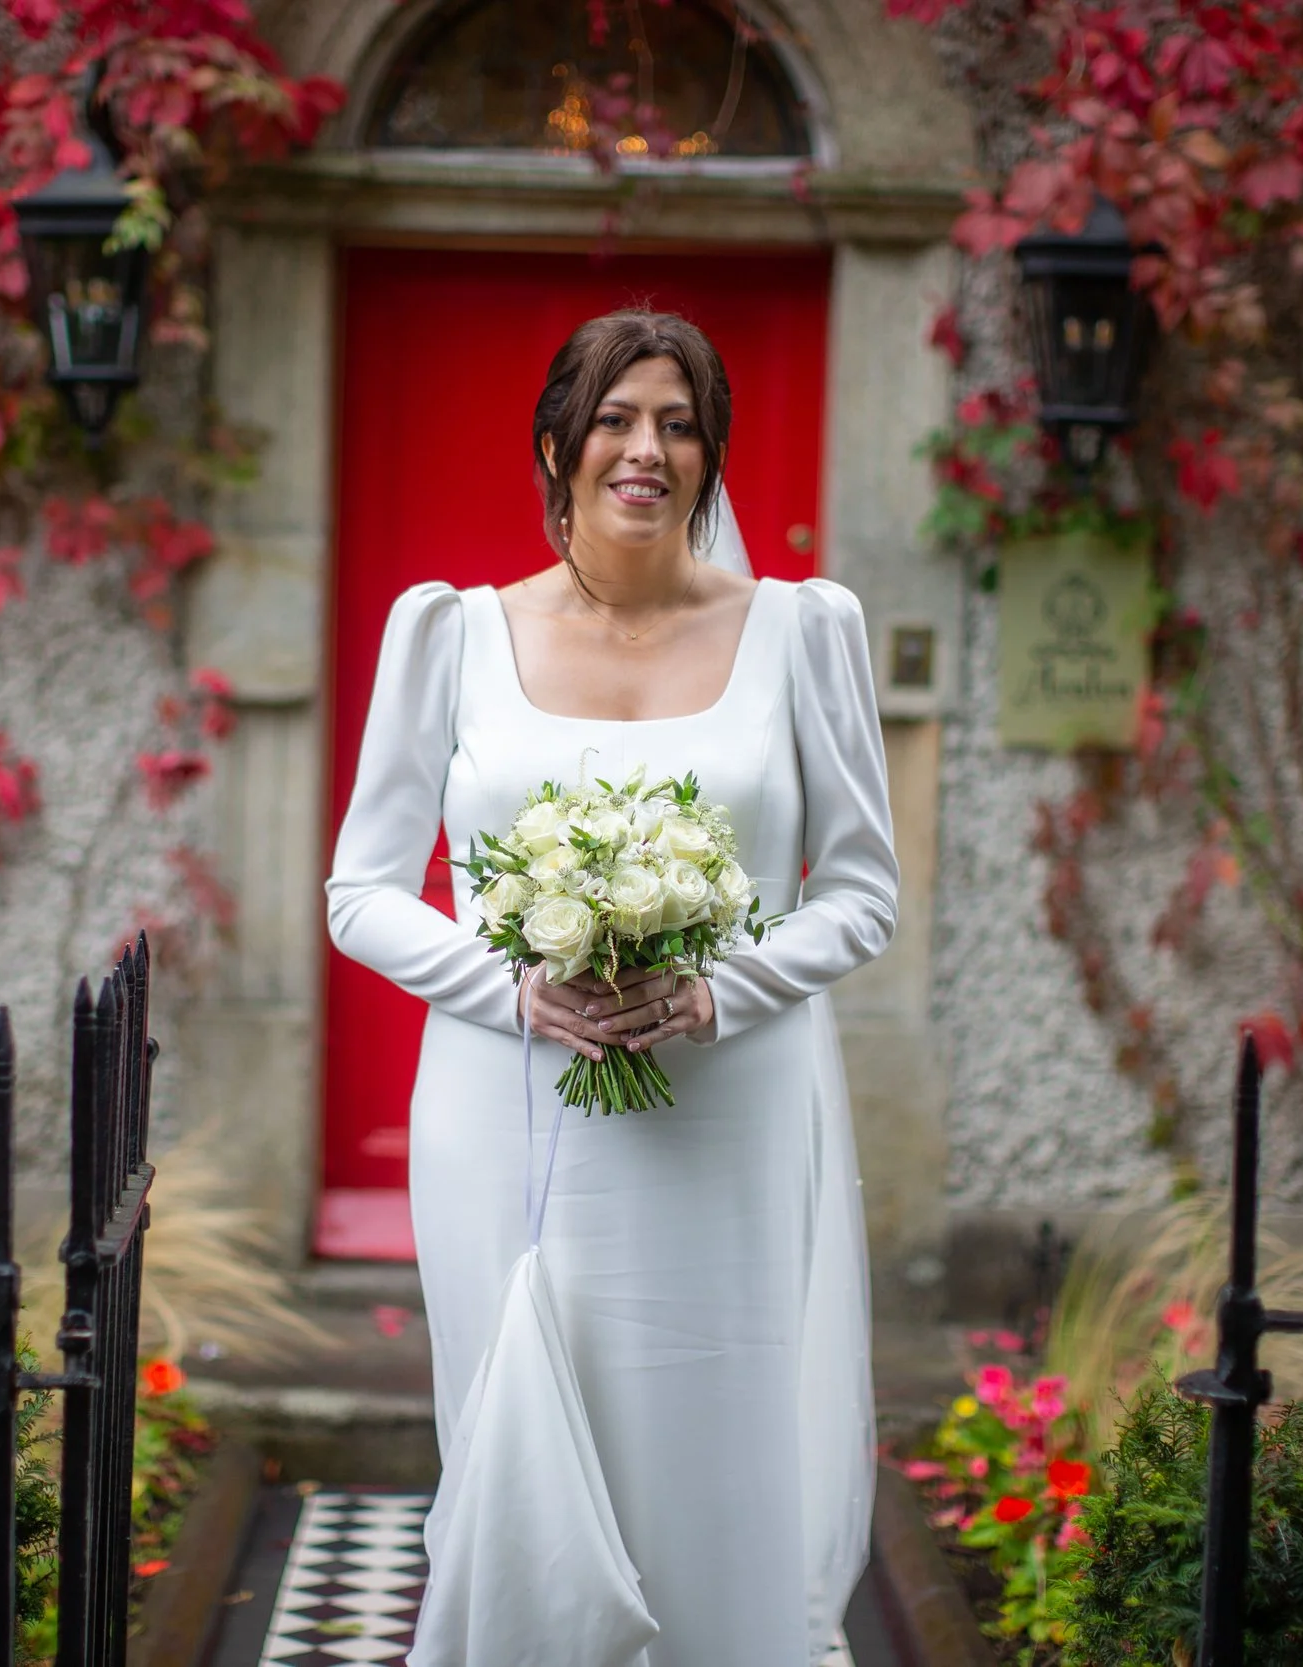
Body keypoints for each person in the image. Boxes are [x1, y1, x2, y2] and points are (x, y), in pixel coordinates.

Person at [324, 308, 898, 1666]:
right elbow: (360, 894)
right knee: (525, 1440)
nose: (649, 448)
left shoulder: (804, 632)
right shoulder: (451, 635)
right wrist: (509, 986)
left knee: (715, 1440)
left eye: (682, 422)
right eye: (620, 417)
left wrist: (723, 989)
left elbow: (864, 890)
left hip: (728, 1114)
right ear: (556, 445)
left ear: (711, 460)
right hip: (508, 1102)